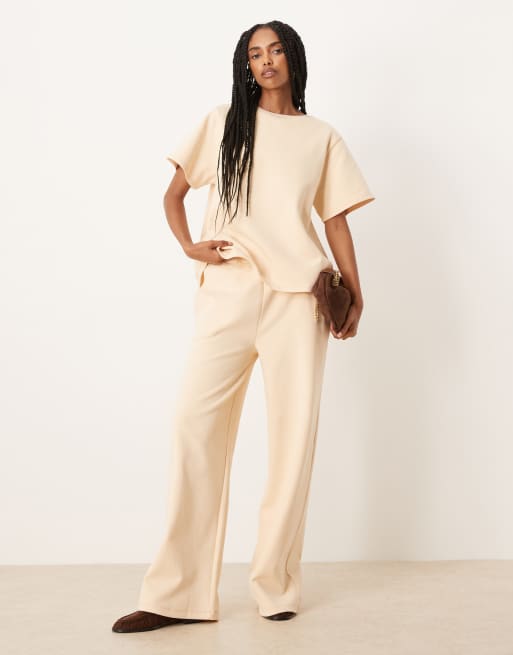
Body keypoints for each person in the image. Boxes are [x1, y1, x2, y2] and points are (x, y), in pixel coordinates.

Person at [112, 19, 375, 633]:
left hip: (298, 301)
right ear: (246, 65)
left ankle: (276, 586)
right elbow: (173, 194)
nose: (266, 61)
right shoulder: (224, 122)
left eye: (276, 50)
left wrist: (355, 290)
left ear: (293, 59)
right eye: (255, 54)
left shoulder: (321, 136)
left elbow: (335, 220)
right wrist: (189, 246)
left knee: (292, 441)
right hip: (229, 289)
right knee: (194, 426)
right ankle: (175, 594)